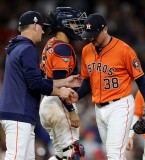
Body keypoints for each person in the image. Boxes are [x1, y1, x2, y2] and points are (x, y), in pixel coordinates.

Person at [68, 13, 145, 160]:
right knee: (114, 154)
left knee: (114, 154)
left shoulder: (124, 50)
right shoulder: (86, 51)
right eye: (89, 35)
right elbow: (88, 81)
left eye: (95, 34)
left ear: (105, 29)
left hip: (120, 106)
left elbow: (141, 80)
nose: (91, 38)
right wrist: (78, 95)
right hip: (98, 108)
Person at [0, 11, 80, 160]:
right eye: (41, 27)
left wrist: (62, 82)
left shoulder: (17, 47)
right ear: (35, 26)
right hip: (18, 112)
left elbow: (33, 80)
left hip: (18, 112)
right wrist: (60, 92)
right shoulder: (27, 49)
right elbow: (35, 83)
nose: (43, 31)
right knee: (16, 157)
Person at [39, 7, 87, 160]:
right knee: (74, 153)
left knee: (61, 156)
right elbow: (59, 85)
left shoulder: (50, 44)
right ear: (62, 25)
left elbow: (46, 78)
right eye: (73, 23)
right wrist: (70, 109)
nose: (77, 27)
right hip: (59, 103)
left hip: (47, 103)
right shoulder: (63, 48)